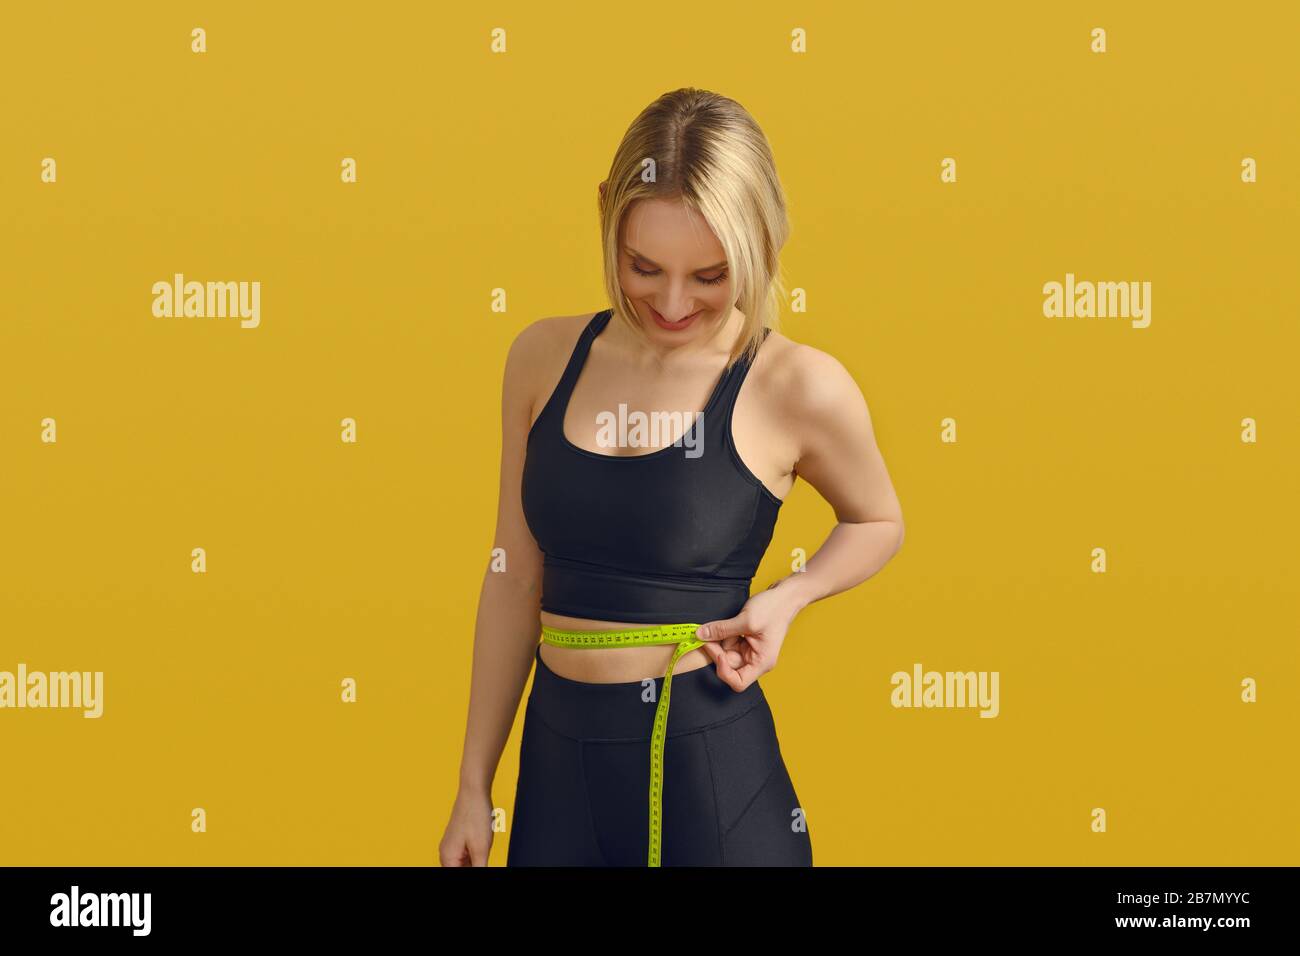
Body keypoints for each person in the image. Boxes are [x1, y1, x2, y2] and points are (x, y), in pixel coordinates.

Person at [439, 87, 904, 867]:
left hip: (710, 778)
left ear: (763, 240)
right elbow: (513, 579)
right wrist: (471, 786)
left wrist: (787, 599)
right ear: (605, 219)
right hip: (555, 775)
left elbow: (878, 520)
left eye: (712, 275)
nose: (674, 302)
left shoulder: (796, 385)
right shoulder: (541, 358)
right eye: (643, 267)